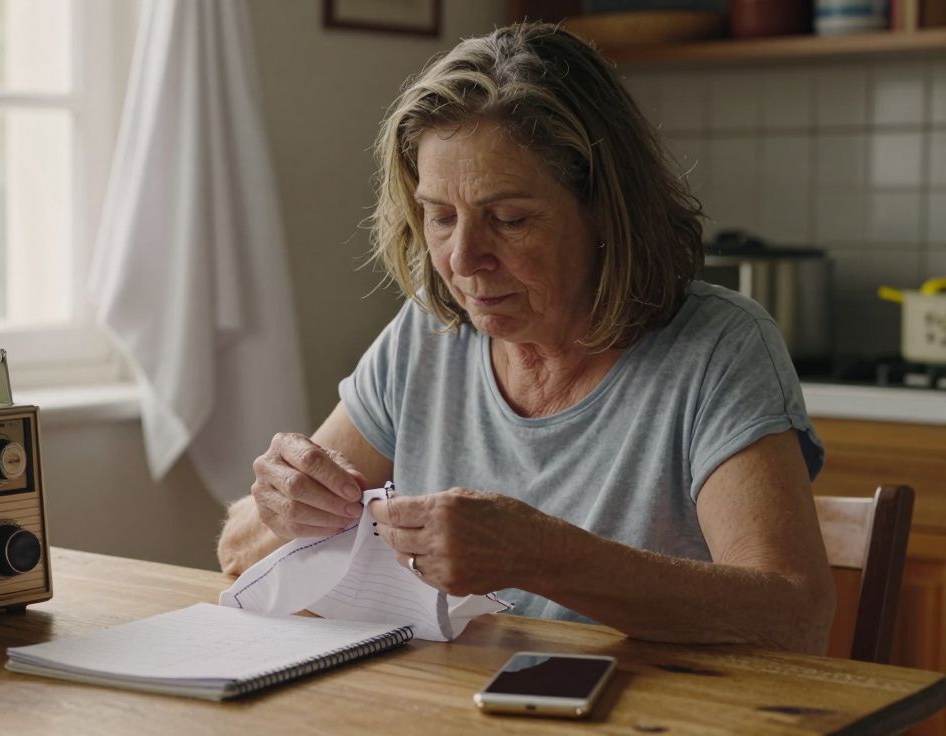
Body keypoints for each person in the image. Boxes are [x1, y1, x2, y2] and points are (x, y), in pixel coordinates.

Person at [216, 22, 835, 654]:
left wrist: (544, 557)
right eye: (440, 217)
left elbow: (794, 616)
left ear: (603, 209)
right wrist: (281, 507)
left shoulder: (718, 348)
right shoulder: (426, 337)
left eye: (508, 219)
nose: (462, 258)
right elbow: (236, 551)